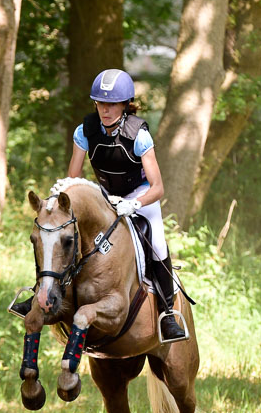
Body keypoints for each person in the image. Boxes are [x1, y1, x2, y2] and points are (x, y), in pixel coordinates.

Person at [68, 68, 186, 342]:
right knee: (60, 232)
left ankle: (167, 314)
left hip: (140, 195)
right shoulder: (84, 131)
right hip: (105, 195)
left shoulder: (139, 135)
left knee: (156, 241)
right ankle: (42, 294)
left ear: (124, 104)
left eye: (111, 104)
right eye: (100, 103)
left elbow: (158, 188)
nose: (105, 110)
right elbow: (72, 178)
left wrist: (133, 204)